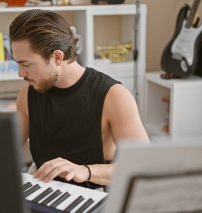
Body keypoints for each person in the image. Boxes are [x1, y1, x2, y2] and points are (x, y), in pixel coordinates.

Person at [9, 9, 149, 189]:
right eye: (18, 63)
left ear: (57, 57)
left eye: (26, 64)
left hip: (94, 196)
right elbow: (6, 149)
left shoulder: (114, 96)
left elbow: (143, 165)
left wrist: (86, 171)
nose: (20, 73)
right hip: (44, 193)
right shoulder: (27, 95)